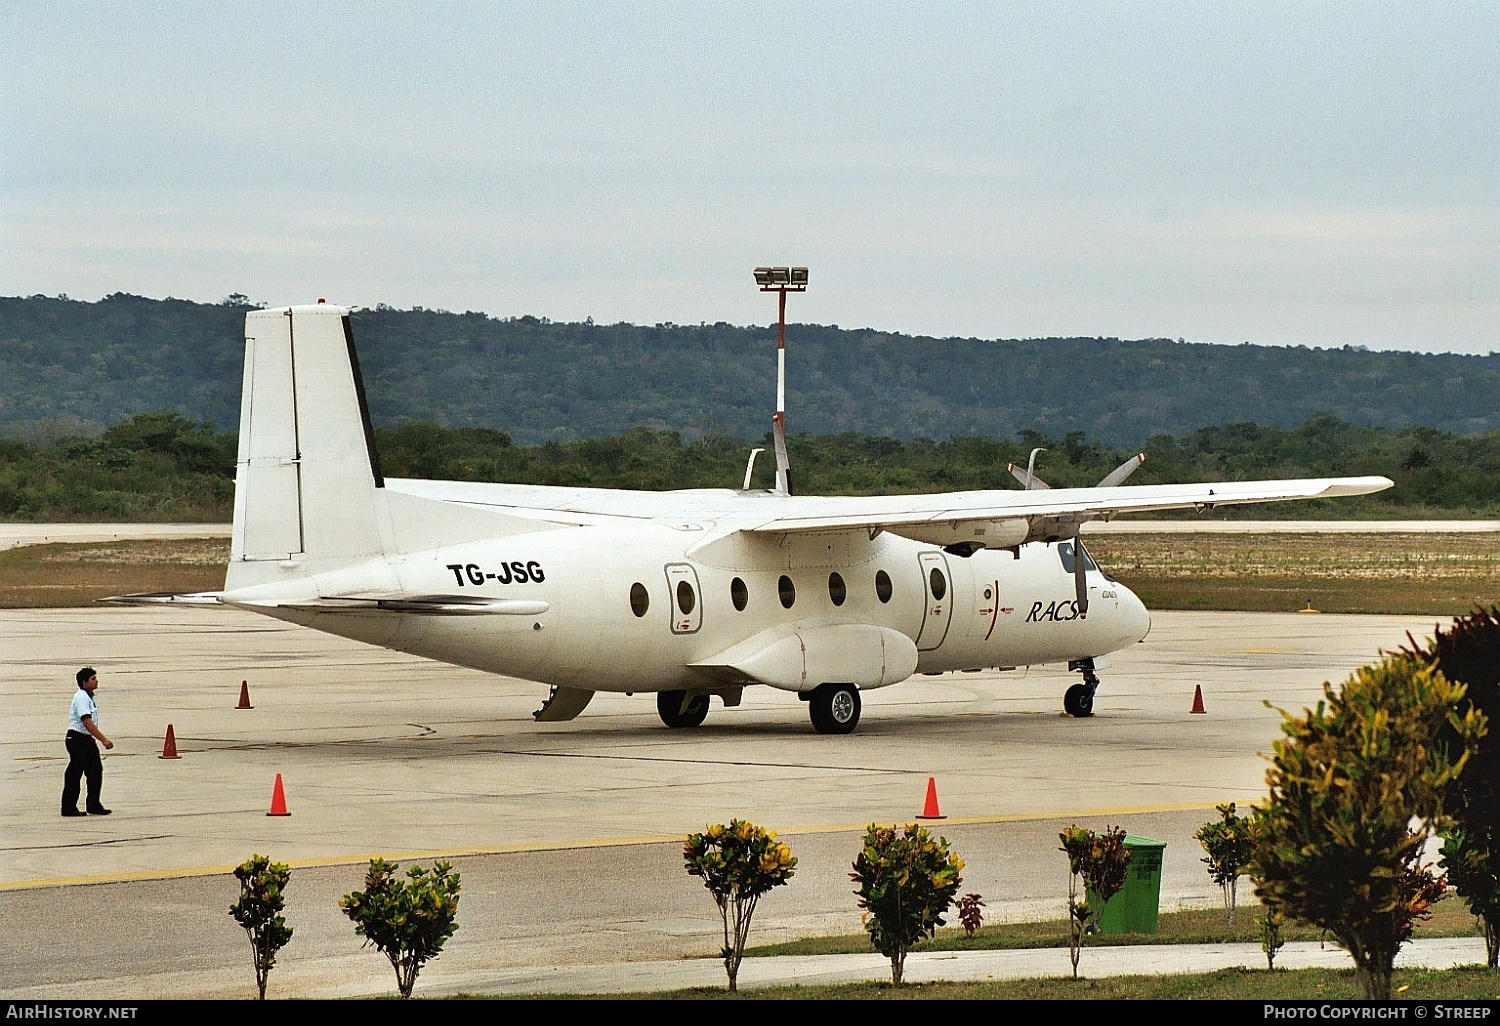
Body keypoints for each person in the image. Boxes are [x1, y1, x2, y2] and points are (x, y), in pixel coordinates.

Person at [62, 666, 113, 816]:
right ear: (84, 682)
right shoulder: (81, 697)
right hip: (77, 738)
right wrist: (103, 740)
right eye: (93, 679)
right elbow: (87, 722)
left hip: (86, 739)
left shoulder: (89, 696)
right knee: (75, 773)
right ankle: (68, 807)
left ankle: (93, 804)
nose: (96, 681)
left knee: (95, 771)